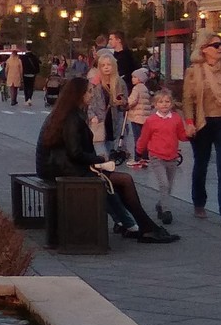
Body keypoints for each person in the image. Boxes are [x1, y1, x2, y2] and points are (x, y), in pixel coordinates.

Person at [36, 76, 178, 242]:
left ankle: (132, 224)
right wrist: (99, 159)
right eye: (88, 92)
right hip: (63, 170)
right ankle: (144, 227)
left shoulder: (66, 113)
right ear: (78, 95)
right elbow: (75, 153)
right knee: (124, 180)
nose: (91, 95)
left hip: (59, 167)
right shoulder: (71, 118)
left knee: (118, 182)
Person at [182, 29, 221, 223]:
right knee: (201, 164)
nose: (220, 49)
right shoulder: (193, 71)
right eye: (216, 45)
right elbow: (188, 100)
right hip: (203, 123)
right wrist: (189, 123)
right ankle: (199, 202)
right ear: (204, 49)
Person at [135, 89, 192, 224]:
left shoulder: (176, 119)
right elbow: (144, 137)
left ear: (171, 104)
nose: (164, 104)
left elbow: (181, 135)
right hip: (156, 156)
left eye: (167, 101)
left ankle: (161, 204)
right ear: (155, 105)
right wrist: (139, 150)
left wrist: (189, 135)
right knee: (164, 184)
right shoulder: (151, 120)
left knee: (169, 186)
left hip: (172, 156)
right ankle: (166, 211)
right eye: (160, 102)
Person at [124, 67, 152, 165]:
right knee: (144, 137)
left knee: (137, 138)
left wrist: (125, 102)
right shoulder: (145, 88)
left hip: (136, 117)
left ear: (140, 78)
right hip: (145, 117)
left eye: (134, 77)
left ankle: (137, 157)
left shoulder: (136, 88)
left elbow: (132, 100)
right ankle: (145, 156)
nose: (132, 79)